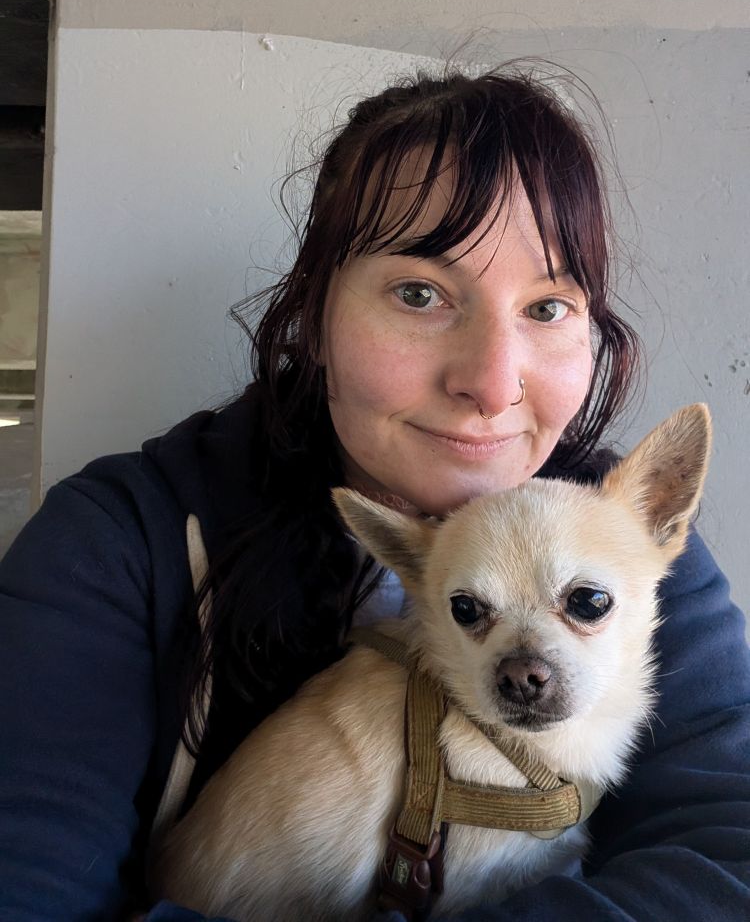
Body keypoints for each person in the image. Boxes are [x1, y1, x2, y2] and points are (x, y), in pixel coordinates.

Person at [0, 68, 748, 922]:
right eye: (420, 294)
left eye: (547, 307)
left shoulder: (629, 542)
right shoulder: (115, 545)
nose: (491, 383)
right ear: (314, 315)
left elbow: (730, 854)